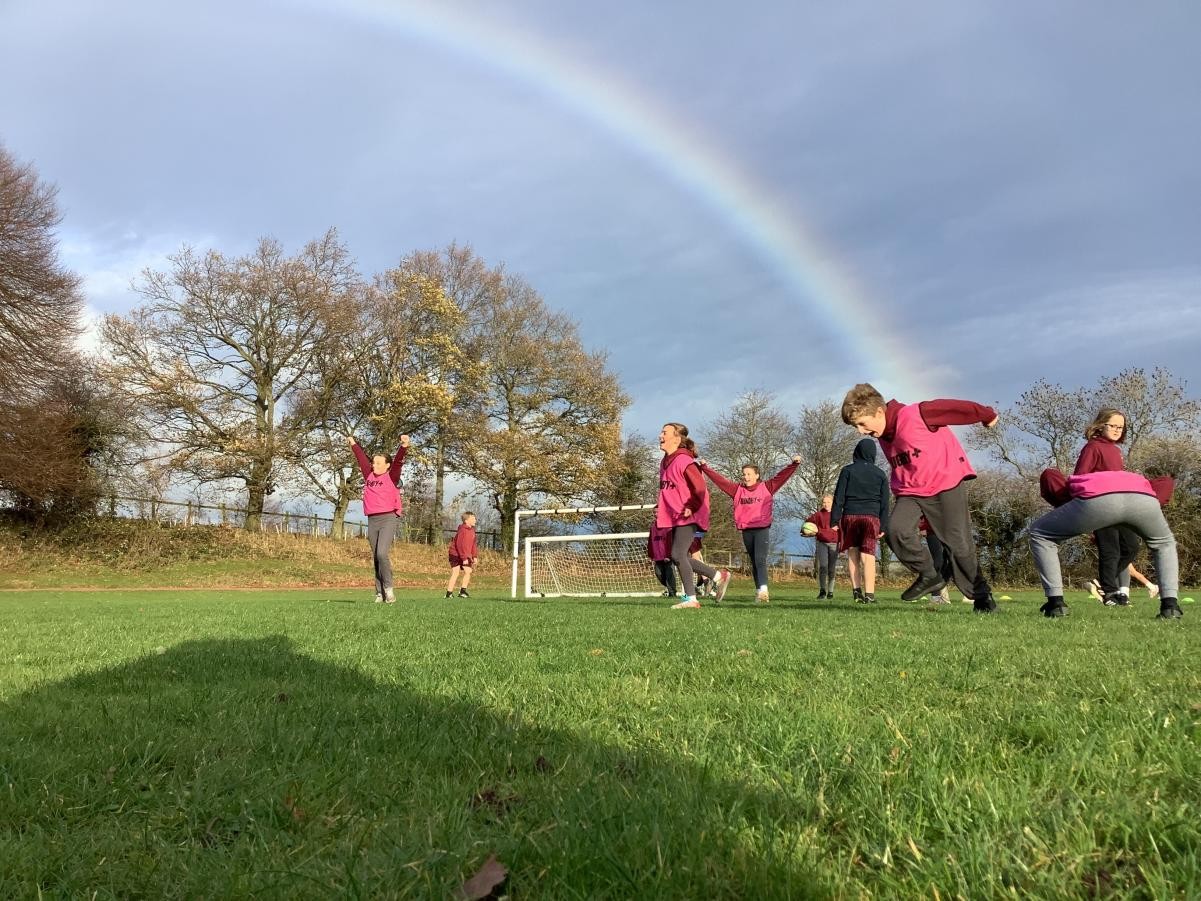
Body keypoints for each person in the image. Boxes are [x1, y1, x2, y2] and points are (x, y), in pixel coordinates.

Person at [840, 383, 1000, 613]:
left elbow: (955, 408)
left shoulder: (918, 413)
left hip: (945, 484)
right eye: (856, 426)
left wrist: (986, 414)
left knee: (958, 545)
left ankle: (982, 597)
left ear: (879, 412)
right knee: (895, 530)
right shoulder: (883, 434)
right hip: (911, 492)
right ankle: (930, 575)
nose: (860, 431)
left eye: (862, 424)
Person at [1032, 468, 1182, 620]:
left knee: (1040, 533)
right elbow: (1165, 484)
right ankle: (1170, 606)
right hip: (1143, 497)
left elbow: (1057, 487)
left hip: (1097, 498)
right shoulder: (1136, 478)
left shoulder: (1076, 482)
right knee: (1164, 544)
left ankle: (1056, 603)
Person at [698, 455, 800, 603]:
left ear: (757, 475)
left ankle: (764, 590)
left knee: (760, 559)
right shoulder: (737, 490)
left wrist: (794, 464)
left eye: (749, 474)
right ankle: (759, 591)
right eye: (744, 474)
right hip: (746, 529)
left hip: (761, 529)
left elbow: (782, 477)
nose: (746, 477)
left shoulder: (767, 487)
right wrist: (705, 468)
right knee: (754, 561)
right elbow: (720, 481)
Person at [656, 422, 731, 609]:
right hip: (675, 515)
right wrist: (660, 506)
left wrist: (691, 506)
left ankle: (691, 599)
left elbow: (700, 488)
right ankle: (718, 576)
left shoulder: (685, 461)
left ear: (677, 438)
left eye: (664, 432)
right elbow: (669, 490)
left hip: (689, 513)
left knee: (677, 554)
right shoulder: (664, 462)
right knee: (677, 555)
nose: (660, 436)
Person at [1075, 409, 1142, 606]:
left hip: (1120, 507)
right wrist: (1086, 508)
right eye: (1113, 425)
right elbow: (1079, 477)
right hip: (1100, 506)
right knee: (1110, 550)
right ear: (1100, 425)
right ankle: (1110, 593)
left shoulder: (1115, 450)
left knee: (1131, 546)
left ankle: (1101, 583)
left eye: (1121, 427)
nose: (1117, 430)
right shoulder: (1092, 447)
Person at [348, 433, 410, 604]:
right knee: (376, 556)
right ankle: (379, 592)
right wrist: (353, 443)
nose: (374, 465)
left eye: (378, 463)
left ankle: (389, 589)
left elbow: (398, 462)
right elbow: (361, 458)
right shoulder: (369, 475)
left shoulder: (391, 476)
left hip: (388, 518)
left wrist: (404, 446)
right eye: (374, 463)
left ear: (387, 466)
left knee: (382, 553)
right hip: (372, 519)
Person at [830, 438, 890, 604]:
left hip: (850, 515)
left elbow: (839, 497)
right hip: (871, 517)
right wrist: (883, 525)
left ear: (856, 452)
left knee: (853, 552)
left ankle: (857, 592)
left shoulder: (847, 471)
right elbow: (885, 502)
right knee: (868, 555)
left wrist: (834, 520)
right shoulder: (880, 474)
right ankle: (870, 594)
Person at [804, 496, 840, 599]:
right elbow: (807, 523)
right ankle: (822, 591)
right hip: (822, 543)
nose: (826, 504)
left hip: (834, 543)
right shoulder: (818, 515)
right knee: (823, 567)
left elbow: (843, 529)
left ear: (832, 503)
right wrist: (805, 531)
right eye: (824, 502)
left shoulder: (837, 515)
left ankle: (831, 592)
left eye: (828, 502)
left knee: (831, 568)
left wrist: (843, 544)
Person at [920, 516, 954, 603]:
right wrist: (923, 527)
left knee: (949, 561)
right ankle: (935, 596)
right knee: (938, 561)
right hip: (932, 530)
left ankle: (944, 595)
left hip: (949, 529)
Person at [446, 511, 478, 598]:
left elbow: (473, 545)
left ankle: (462, 592)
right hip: (455, 554)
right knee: (455, 572)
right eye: (473, 518)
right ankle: (449, 593)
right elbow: (460, 545)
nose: (475, 520)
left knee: (468, 571)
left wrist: (474, 556)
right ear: (466, 521)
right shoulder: (462, 530)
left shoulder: (472, 531)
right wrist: (464, 558)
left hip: (465, 555)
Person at [648, 523, 678, 598]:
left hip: (668, 557)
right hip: (658, 557)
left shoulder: (669, 527)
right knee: (658, 573)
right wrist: (651, 555)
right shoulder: (653, 527)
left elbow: (672, 542)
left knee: (670, 575)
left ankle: (672, 593)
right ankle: (670, 587)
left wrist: (669, 555)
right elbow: (650, 542)